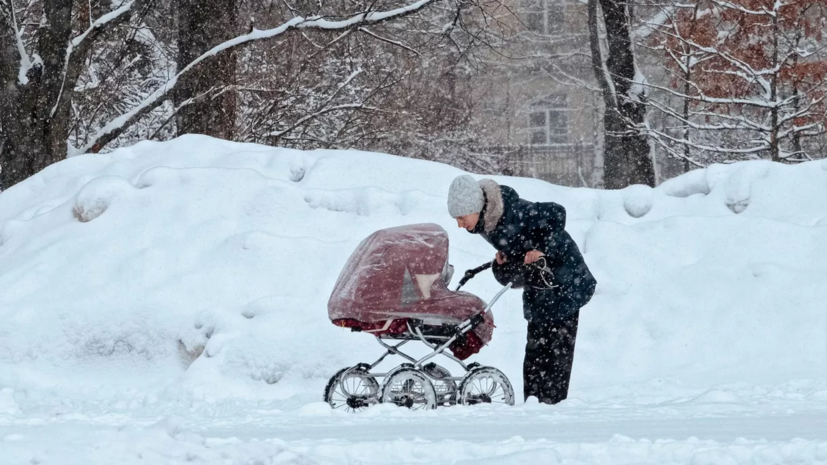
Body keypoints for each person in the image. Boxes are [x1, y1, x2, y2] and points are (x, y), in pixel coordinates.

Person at [447, 174, 597, 405]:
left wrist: (541, 249)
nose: (459, 224)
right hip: (540, 286)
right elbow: (517, 263)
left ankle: (553, 407)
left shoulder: (513, 212)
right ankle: (533, 404)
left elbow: (557, 213)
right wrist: (503, 264)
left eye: (461, 217)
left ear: (475, 207)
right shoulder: (487, 223)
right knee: (535, 350)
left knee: (556, 353)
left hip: (567, 282)